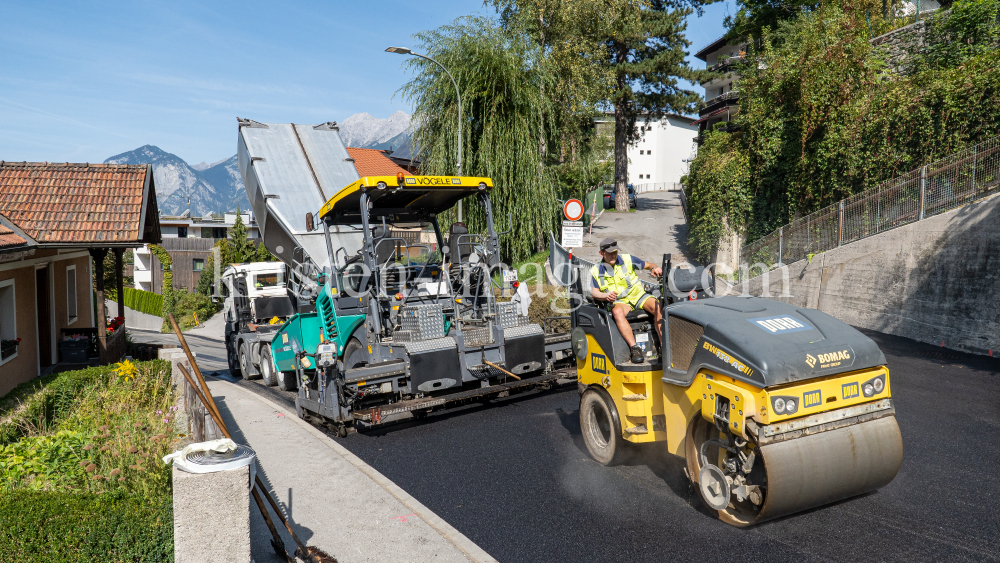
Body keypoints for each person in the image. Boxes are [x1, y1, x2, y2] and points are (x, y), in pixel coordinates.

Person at [589, 238, 663, 363]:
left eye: (615, 252)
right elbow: (594, 292)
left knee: (658, 306)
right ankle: (635, 349)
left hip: (638, 296)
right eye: (609, 252)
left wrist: (654, 268)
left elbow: (650, 265)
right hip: (621, 302)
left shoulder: (627, 259)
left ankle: (664, 346)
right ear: (601, 253)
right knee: (617, 312)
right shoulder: (596, 271)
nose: (613, 255)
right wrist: (605, 296)